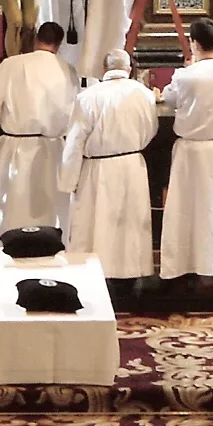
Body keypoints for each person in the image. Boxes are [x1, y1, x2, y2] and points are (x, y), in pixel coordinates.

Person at [159, 18, 213, 290]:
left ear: (194, 43)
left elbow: (169, 98)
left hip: (193, 152)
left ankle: (183, 268)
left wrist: (190, 70)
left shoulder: (186, 75)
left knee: (187, 211)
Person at [58, 49, 158, 285]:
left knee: (98, 226)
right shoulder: (144, 95)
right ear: (129, 69)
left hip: (99, 168)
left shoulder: (88, 97)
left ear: (104, 69)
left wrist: (69, 180)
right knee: (129, 225)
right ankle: (131, 278)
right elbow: (151, 129)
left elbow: (75, 141)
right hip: (133, 164)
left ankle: (96, 278)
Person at [0, 20, 78, 249]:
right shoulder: (68, 70)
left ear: (35, 40)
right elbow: (74, 113)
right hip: (54, 149)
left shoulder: (11, 65)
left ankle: (5, 256)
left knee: (10, 209)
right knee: (51, 211)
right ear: (59, 44)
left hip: (15, 147)